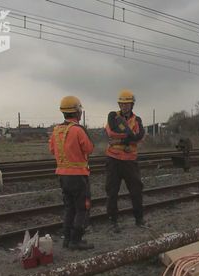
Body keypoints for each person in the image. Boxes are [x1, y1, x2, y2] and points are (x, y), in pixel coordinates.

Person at [49, 96, 94, 250]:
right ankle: (76, 240)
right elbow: (89, 149)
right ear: (77, 111)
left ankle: (67, 239)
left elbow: (52, 150)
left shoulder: (56, 130)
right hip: (78, 176)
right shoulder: (78, 130)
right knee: (82, 208)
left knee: (69, 208)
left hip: (62, 175)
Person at [105, 89, 146, 233]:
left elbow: (140, 137)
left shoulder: (137, 120)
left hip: (130, 161)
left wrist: (121, 138)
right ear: (119, 104)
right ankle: (113, 222)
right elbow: (111, 132)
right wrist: (130, 136)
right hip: (114, 159)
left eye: (127, 103)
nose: (124, 106)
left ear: (132, 104)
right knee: (112, 192)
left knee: (136, 190)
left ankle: (139, 219)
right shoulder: (113, 117)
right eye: (122, 103)